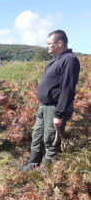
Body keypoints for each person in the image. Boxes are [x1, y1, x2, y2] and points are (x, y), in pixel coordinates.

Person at [19, 30, 80, 171]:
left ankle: (49, 172)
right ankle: (33, 164)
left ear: (60, 43)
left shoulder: (69, 60)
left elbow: (67, 89)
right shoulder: (56, 59)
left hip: (54, 107)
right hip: (44, 106)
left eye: (49, 43)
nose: (47, 46)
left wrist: (59, 114)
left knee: (50, 139)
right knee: (37, 136)